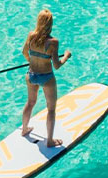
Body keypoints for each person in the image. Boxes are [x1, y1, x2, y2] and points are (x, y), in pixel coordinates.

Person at [21, 8, 75, 146]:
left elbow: (24, 53)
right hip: (46, 78)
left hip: (31, 75)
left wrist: (33, 60)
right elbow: (56, 65)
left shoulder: (31, 35)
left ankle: (25, 129)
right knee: (51, 109)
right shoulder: (53, 42)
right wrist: (66, 57)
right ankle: (50, 141)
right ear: (50, 24)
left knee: (30, 103)